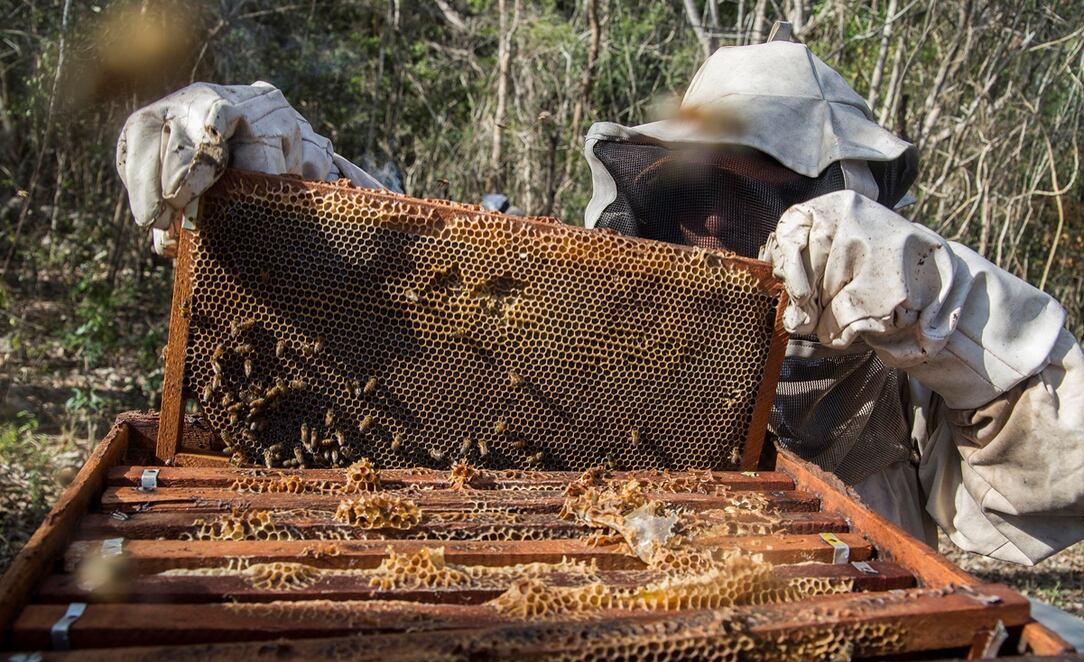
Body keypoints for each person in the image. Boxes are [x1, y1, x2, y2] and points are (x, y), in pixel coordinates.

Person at [115, 32, 1083, 566]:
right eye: (683, 190)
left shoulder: (921, 414)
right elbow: (421, 297)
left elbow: (1059, 465)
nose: (707, 223)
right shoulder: (575, 337)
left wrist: (950, 307)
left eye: (745, 194)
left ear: (836, 207)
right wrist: (282, 181)